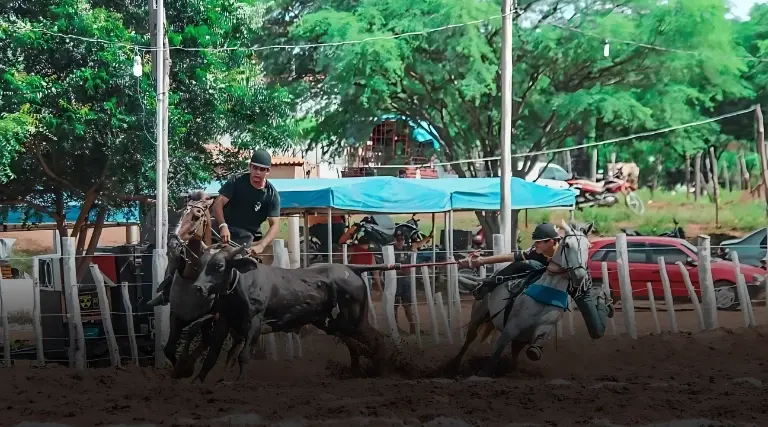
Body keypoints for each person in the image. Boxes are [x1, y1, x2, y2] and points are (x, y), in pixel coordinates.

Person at [147, 148, 281, 307]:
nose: (257, 172)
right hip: (220, 228)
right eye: (255, 167)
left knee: (237, 270)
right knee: (179, 249)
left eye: (262, 169)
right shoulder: (236, 181)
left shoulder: (272, 195)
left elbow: (275, 225)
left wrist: (261, 245)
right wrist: (223, 225)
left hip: (245, 239)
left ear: (268, 171)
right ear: (249, 167)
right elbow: (218, 205)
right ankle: (167, 291)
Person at [457, 222, 613, 341]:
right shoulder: (536, 250)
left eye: (540, 241)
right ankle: (489, 285)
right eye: (536, 241)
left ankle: (601, 300)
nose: (536, 244)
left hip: (577, 286)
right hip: (553, 283)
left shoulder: (566, 249)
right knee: (524, 265)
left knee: (597, 332)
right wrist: (481, 261)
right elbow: (511, 257)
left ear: (552, 242)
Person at [392, 229, 417, 334]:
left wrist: (428, 237)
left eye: (401, 239)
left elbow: (417, 245)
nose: (400, 241)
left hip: (406, 279)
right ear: (394, 239)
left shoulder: (407, 248)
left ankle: (413, 327)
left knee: (407, 304)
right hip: (396, 279)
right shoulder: (391, 250)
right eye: (398, 239)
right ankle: (395, 327)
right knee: (395, 305)